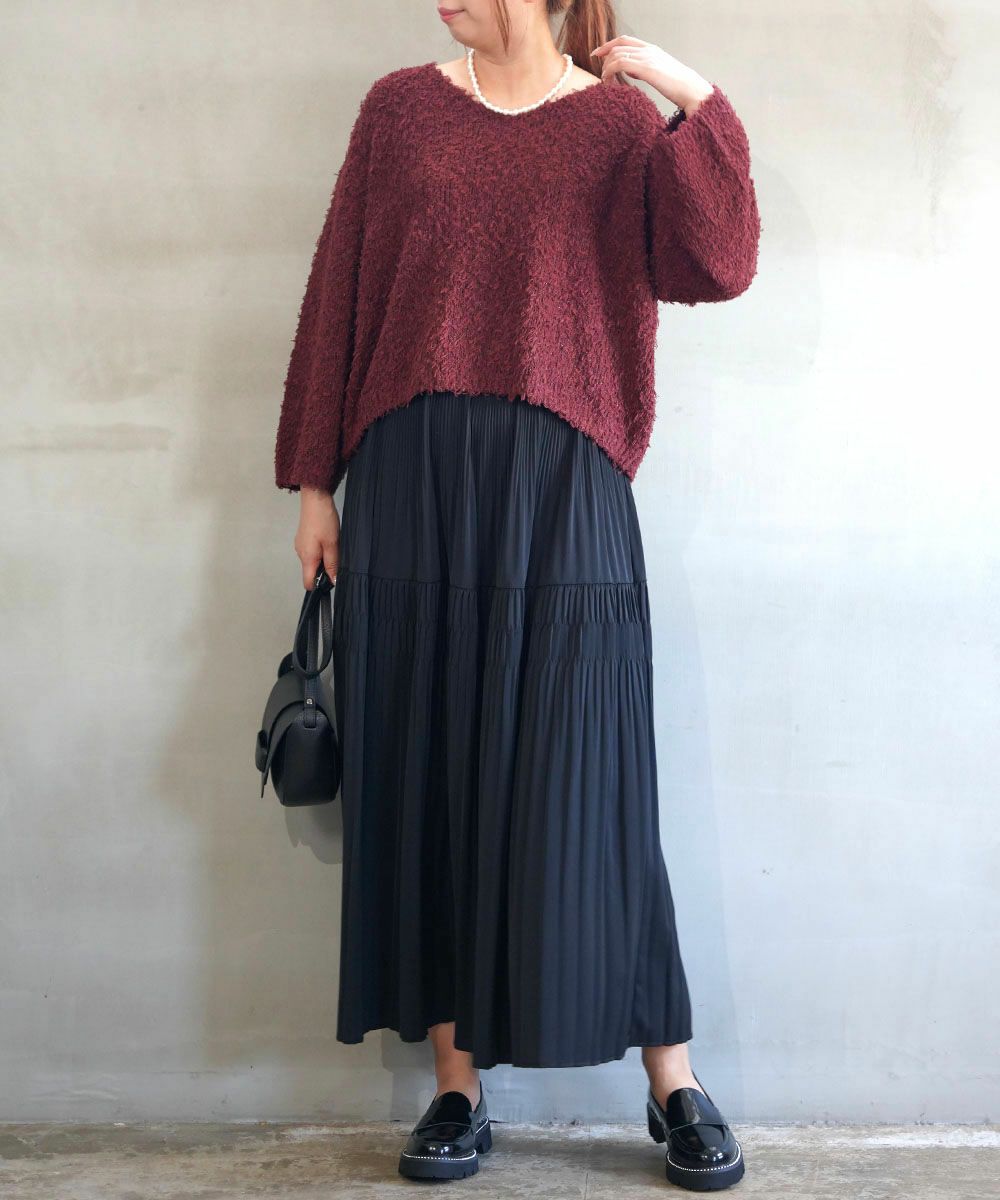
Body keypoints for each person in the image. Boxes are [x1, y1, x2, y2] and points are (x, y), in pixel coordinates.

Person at [273, 0, 760, 1189]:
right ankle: (457, 1086)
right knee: (430, 768)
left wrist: (694, 103)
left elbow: (718, 263)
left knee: (593, 781)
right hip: (410, 478)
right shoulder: (398, 112)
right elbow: (339, 292)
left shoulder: (616, 128)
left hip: (564, 479)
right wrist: (313, 481)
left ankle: (674, 1078)